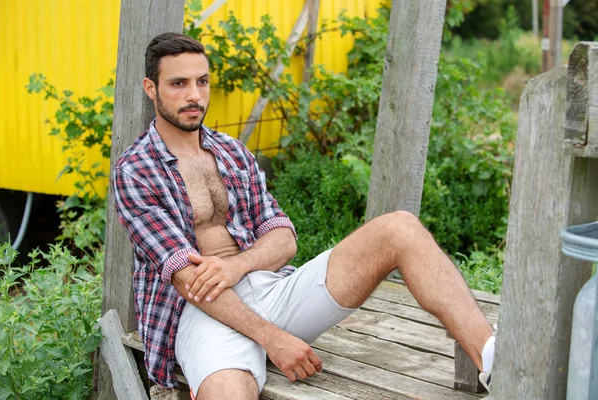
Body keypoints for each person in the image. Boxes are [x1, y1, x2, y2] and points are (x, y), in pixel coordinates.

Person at [113, 32, 496, 400]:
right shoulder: (135, 170)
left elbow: (283, 237)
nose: (194, 95)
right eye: (178, 84)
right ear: (152, 89)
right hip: (203, 316)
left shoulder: (231, 152)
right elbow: (188, 280)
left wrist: (237, 267)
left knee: (400, 227)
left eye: (202, 81)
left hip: (270, 288)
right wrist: (273, 339)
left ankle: (493, 363)